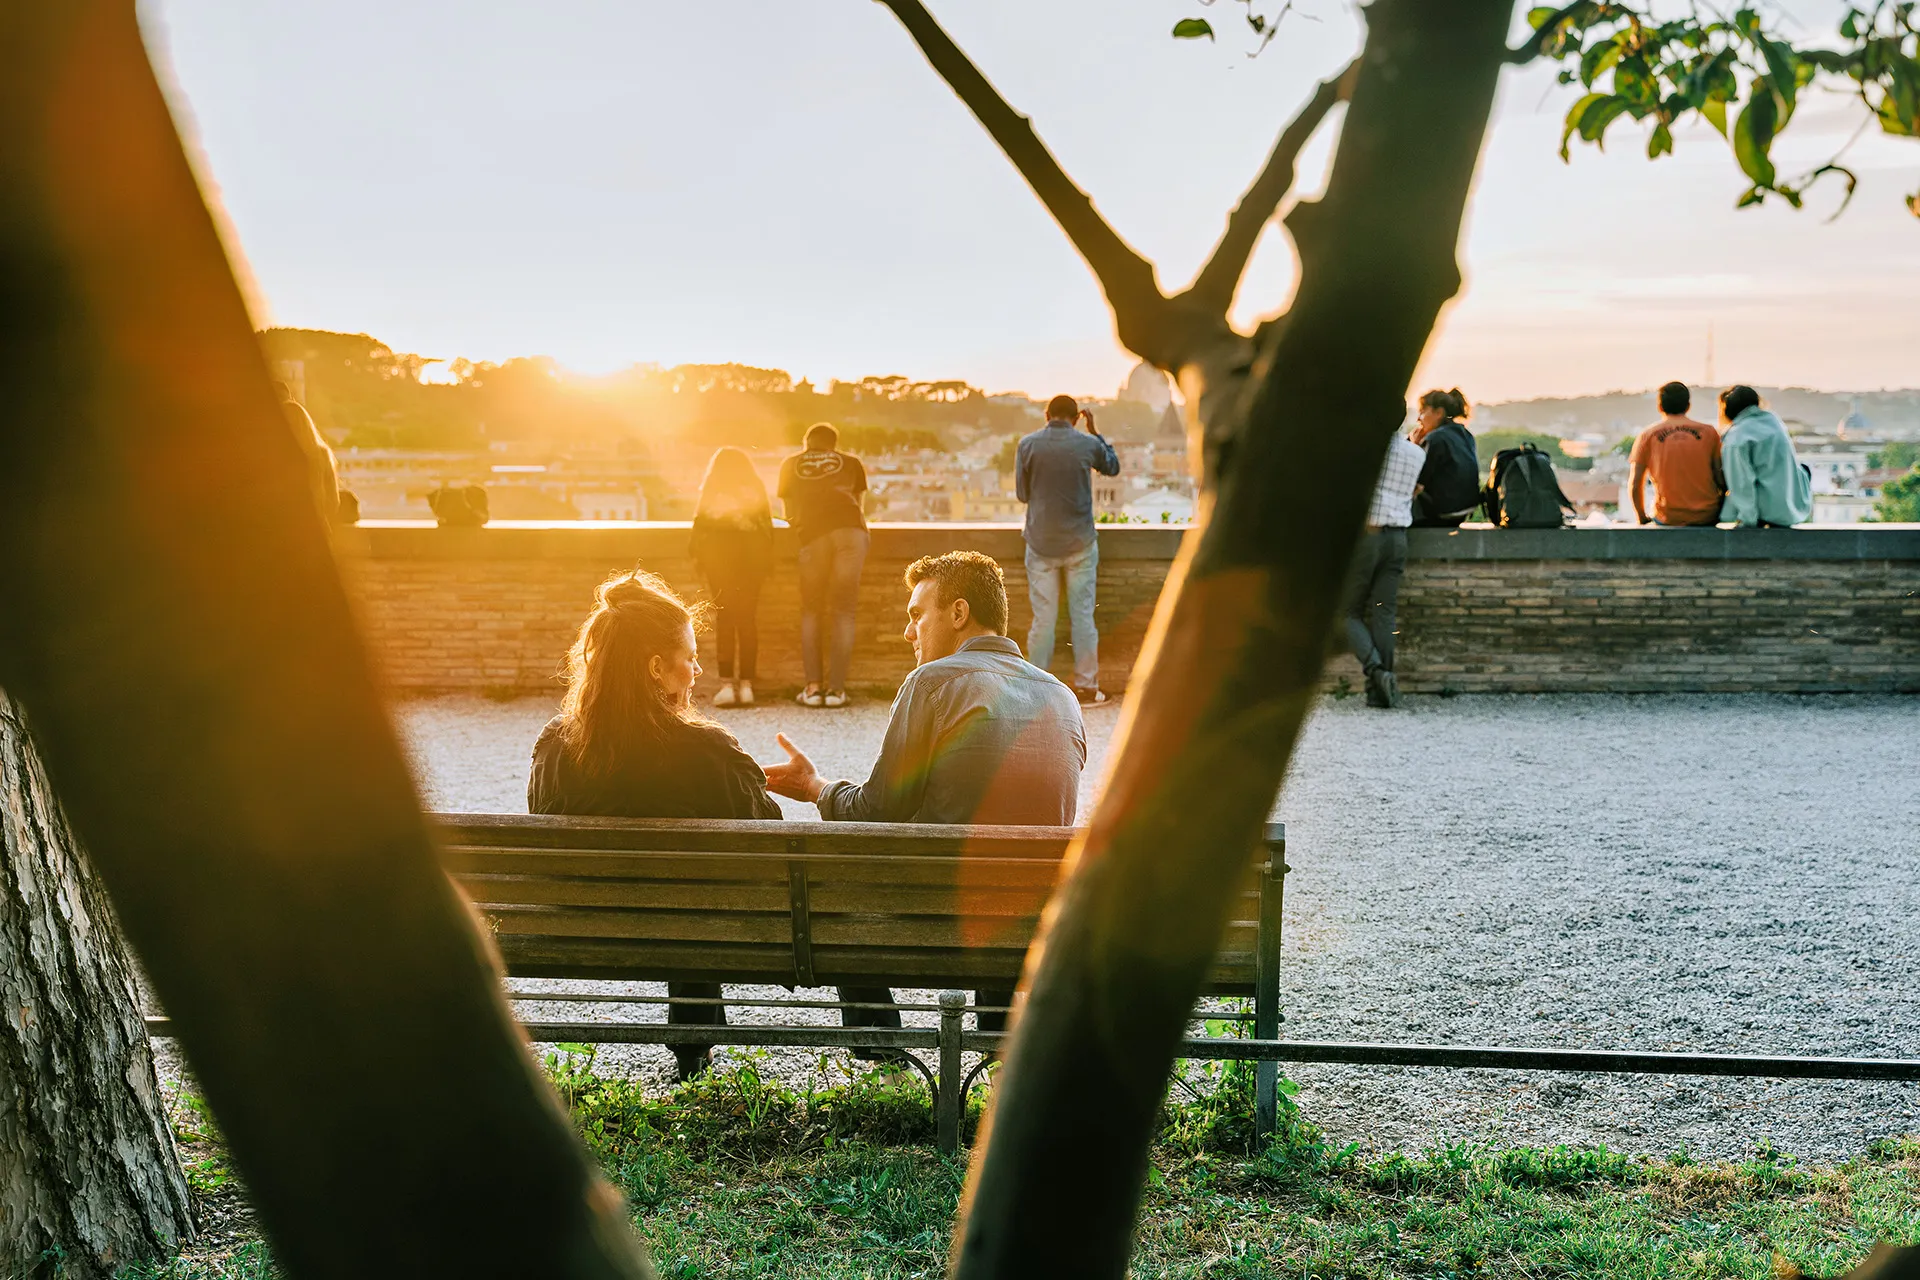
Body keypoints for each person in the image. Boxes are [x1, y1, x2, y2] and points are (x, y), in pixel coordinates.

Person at [762, 550, 1085, 1055]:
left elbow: (874, 811)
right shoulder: (1063, 696)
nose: (907, 633)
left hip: (938, 918)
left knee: (828, 887)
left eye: (917, 615)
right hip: (1034, 923)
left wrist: (815, 789)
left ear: (958, 614)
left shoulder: (933, 683)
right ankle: (997, 1052)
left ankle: (883, 1052)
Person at [528, 570, 780, 1082]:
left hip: (584, 922)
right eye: (689, 658)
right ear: (656, 668)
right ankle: (695, 1057)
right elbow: (768, 841)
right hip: (695, 923)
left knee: (690, 891)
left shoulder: (556, 746)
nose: (697, 669)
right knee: (696, 893)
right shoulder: (708, 751)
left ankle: (695, 1055)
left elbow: (541, 821)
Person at [1015, 394, 1121, 703]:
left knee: (1043, 620)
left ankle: (1035, 688)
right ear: (1076, 418)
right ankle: (1087, 686)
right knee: (1083, 617)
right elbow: (1112, 467)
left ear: (1046, 414)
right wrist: (1095, 432)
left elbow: (1023, 494)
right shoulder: (1086, 445)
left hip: (1041, 542)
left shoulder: (1028, 445)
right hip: (1079, 543)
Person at [778, 423, 869, 708]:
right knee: (844, 611)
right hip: (851, 532)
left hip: (813, 536)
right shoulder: (852, 462)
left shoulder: (790, 464)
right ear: (834, 444)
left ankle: (813, 688)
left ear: (807, 443)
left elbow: (788, 513)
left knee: (811, 610)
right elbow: (860, 505)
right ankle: (837, 691)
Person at [1346, 430, 1425, 709]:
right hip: (1397, 538)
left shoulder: (1364, 446)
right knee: (1384, 611)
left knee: (1345, 611)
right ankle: (1379, 693)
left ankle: (1376, 670)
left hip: (1369, 537)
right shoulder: (1417, 452)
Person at [690, 447, 774, 707]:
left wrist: (698, 558)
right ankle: (747, 686)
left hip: (719, 560)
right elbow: (766, 525)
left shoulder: (712, 487)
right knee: (748, 620)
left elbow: (699, 524)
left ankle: (727, 685)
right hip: (751, 560)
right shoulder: (755, 487)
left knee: (725, 618)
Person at [1629, 382, 1724, 526]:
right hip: (1706, 516)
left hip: (1667, 517)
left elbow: (1636, 484)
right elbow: (1720, 478)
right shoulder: (1709, 432)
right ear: (1688, 406)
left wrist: (1642, 518)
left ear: (1660, 407)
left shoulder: (1648, 435)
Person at [1717, 385, 1812, 528]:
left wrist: (1747, 520)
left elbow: (1741, 482)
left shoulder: (1737, 437)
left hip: (1766, 511)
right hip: (1792, 509)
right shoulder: (1774, 423)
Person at [1408, 388, 1480, 528]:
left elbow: (1417, 482)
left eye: (1422, 411)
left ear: (1439, 413)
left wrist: (1414, 447)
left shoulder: (1436, 439)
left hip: (1443, 511)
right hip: (1464, 510)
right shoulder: (1465, 434)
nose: (1418, 418)